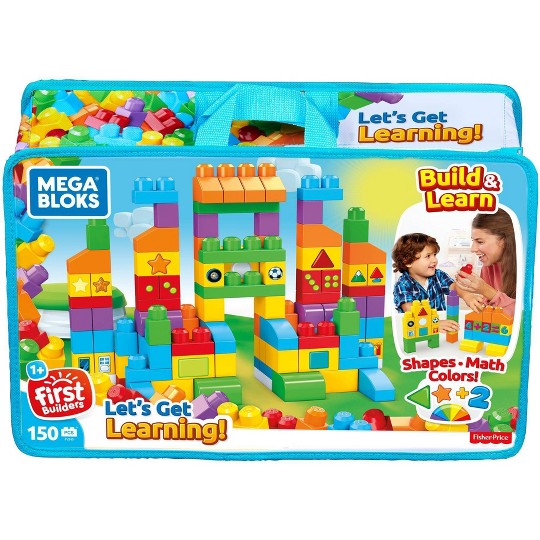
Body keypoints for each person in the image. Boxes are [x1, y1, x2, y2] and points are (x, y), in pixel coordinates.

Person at [455, 208, 516, 317]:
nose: (473, 249)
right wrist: (474, 298)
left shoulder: (528, 268)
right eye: (473, 241)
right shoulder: (488, 266)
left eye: (480, 242)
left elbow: (526, 316)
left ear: (503, 241)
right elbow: (490, 311)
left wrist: (486, 290)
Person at [392, 233, 459, 333]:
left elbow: (454, 288)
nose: (434, 260)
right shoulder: (403, 285)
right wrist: (434, 323)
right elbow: (410, 311)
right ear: (408, 261)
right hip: (416, 330)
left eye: (434, 255)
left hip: (442, 328)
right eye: (428, 256)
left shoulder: (439, 275)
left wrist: (467, 295)